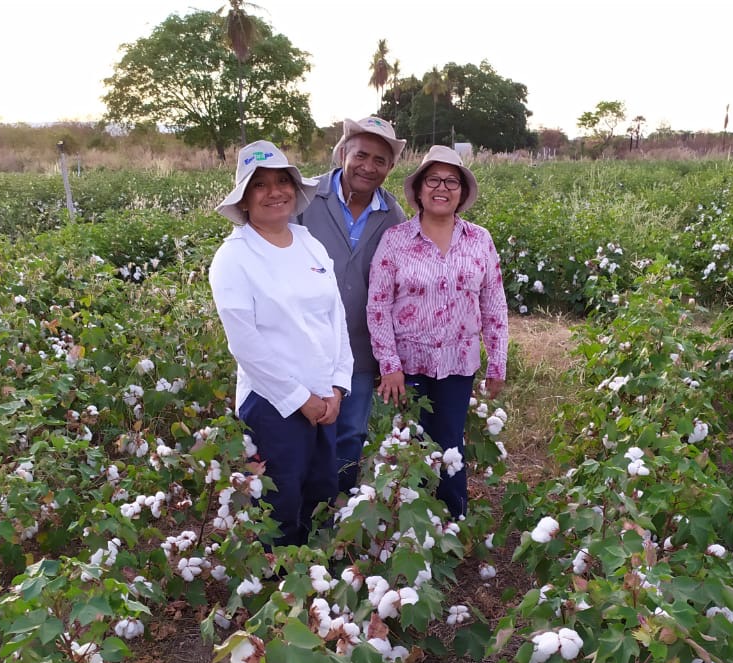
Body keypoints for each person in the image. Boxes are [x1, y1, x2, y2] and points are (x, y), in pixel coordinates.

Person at [209, 141, 353, 547]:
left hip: (325, 399)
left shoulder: (309, 243)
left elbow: (335, 317)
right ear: (245, 199)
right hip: (272, 405)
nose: (275, 192)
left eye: (282, 181)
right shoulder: (234, 258)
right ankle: (279, 594)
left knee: (321, 492)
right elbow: (245, 344)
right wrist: (298, 398)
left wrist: (338, 387)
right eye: (261, 185)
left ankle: (316, 584)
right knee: (279, 502)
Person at [366, 145, 509, 519]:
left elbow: (494, 303)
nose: (441, 188)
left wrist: (497, 362)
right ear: (418, 190)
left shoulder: (480, 240)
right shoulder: (395, 240)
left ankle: (452, 523)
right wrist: (389, 364)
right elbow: (378, 305)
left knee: (449, 446)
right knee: (405, 445)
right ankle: (403, 526)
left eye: (451, 181)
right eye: (433, 180)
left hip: (458, 363)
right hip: (405, 367)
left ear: (461, 192)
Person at [299, 116, 407, 495]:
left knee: (350, 434)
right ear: (343, 153)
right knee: (301, 430)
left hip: (360, 348)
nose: (368, 166)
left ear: (390, 167)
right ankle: (301, 519)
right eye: (361, 155)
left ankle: (337, 509)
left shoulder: (393, 216)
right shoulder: (306, 197)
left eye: (380, 160)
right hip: (304, 341)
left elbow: (397, 289)